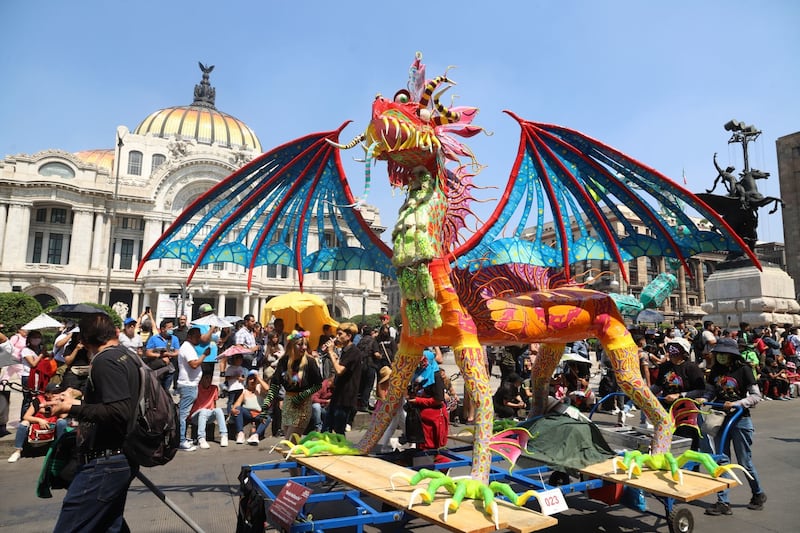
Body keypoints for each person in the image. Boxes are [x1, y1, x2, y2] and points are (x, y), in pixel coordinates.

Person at [47, 313, 140, 532]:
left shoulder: (105, 360)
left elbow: (119, 411)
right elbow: (115, 398)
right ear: (115, 332)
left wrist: (71, 408)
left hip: (106, 460)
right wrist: (77, 396)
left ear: (84, 341)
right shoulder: (126, 355)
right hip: (119, 457)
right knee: (109, 525)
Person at [703, 337, 767, 516]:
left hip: (739, 419)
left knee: (744, 462)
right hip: (720, 418)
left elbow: (756, 396)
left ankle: (758, 493)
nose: (721, 357)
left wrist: (737, 403)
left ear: (732, 355)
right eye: (719, 354)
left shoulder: (744, 369)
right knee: (721, 460)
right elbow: (711, 390)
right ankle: (723, 502)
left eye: (724, 354)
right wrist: (705, 399)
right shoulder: (715, 370)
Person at [263, 330, 322, 440]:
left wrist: (302, 396)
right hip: (288, 402)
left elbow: (318, 384)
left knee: (289, 440)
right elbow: (275, 384)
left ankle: (291, 457)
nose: (304, 347)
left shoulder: (310, 362)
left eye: (305, 344)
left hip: (303, 404)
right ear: (291, 346)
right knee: (292, 441)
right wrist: (265, 406)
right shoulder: (284, 361)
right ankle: (294, 457)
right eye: (300, 344)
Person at [651, 338, 706, 449]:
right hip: (667, 410)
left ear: (683, 351)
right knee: (668, 441)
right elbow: (658, 386)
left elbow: (700, 390)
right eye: (670, 347)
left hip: (687, 412)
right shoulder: (665, 366)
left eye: (675, 347)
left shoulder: (691, 367)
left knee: (688, 442)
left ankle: (691, 465)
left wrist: (680, 396)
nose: (671, 350)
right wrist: (644, 393)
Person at [8, 382, 67, 463]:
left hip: (52, 426)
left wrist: (58, 405)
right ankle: (17, 451)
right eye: (54, 393)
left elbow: (63, 416)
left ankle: (60, 450)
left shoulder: (61, 401)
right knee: (23, 424)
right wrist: (39, 420)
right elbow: (26, 416)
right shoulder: (38, 400)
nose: (56, 395)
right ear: (47, 394)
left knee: (62, 422)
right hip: (37, 427)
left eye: (58, 392)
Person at [322, 323, 363, 435]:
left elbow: (340, 370)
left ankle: (341, 450)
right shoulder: (344, 351)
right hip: (338, 394)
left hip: (346, 397)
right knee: (326, 428)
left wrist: (331, 352)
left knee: (338, 430)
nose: (337, 337)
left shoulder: (354, 352)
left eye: (340, 334)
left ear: (349, 336)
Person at [406, 348, 449, 452]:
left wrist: (418, 401)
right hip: (420, 417)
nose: (421, 364)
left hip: (433, 419)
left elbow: (438, 400)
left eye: (423, 361)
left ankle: (443, 467)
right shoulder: (418, 373)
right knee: (421, 447)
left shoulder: (436, 376)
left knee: (430, 448)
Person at [176, 327, 205, 451]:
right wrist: (204, 355)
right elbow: (193, 364)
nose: (199, 338)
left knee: (185, 413)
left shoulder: (189, 347)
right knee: (183, 414)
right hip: (188, 385)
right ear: (190, 336)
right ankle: (180, 440)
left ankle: (182, 437)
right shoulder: (187, 347)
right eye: (197, 336)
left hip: (191, 384)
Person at [188, 373, 228, 448]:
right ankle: (201, 438)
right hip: (196, 416)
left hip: (208, 414)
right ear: (201, 379)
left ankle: (224, 435)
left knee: (218, 410)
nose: (208, 380)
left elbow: (214, 403)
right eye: (206, 378)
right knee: (203, 410)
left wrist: (214, 412)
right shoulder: (197, 388)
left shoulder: (214, 388)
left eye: (210, 378)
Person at [231, 371, 270, 444]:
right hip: (248, 413)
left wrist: (258, 378)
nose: (252, 381)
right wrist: (233, 409)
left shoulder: (259, 389)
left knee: (267, 417)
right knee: (238, 409)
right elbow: (237, 404)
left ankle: (255, 435)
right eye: (250, 379)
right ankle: (240, 433)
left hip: (259, 414)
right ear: (247, 381)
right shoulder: (244, 391)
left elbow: (268, 389)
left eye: (254, 379)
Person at [144, 319, 180, 391]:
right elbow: (148, 353)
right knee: (156, 389)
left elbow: (177, 352)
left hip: (170, 369)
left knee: (166, 390)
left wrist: (168, 354)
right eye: (169, 327)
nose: (171, 329)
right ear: (163, 329)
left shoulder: (174, 339)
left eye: (172, 327)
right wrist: (160, 356)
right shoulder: (154, 339)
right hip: (157, 369)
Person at [357, 326, 381, 412]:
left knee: (362, 384)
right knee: (368, 385)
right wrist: (381, 357)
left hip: (360, 365)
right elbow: (376, 354)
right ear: (371, 333)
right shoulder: (373, 341)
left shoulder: (360, 341)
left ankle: (359, 403)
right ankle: (364, 404)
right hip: (370, 365)